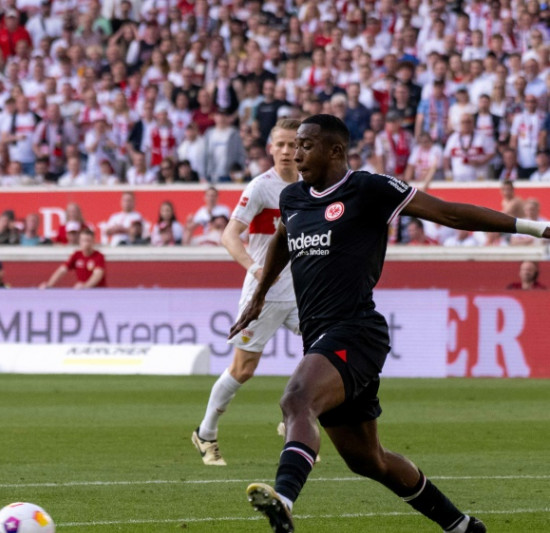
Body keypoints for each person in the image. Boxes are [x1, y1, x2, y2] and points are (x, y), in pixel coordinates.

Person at [231, 115, 549, 533]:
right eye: (291, 146)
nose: (295, 153)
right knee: (368, 459)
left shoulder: (368, 188)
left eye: (305, 145)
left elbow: (450, 214)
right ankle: (462, 526)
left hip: (356, 331)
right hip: (320, 337)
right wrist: (256, 297)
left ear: (335, 151)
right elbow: (283, 241)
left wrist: (538, 228)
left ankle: (284, 500)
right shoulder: (294, 197)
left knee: (296, 399)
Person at [192, 119, 302, 466]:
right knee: (243, 370)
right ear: (270, 148)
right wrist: (256, 270)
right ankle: (205, 434)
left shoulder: (311, 186)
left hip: (301, 292)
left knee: (326, 349)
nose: (286, 151)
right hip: (264, 295)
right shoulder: (259, 188)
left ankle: (293, 417)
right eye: (280, 144)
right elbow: (229, 235)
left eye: (292, 145)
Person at [39, 228, 107, 289]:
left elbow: (98, 274)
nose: (86, 243)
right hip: (82, 292)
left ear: (93, 241)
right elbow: (62, 270)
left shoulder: (98, 256)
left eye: (88, 241)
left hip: (98, 292)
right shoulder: (77, 255)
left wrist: (86, 286)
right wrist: (49, 284)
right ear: (79, 242)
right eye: (83, 240)